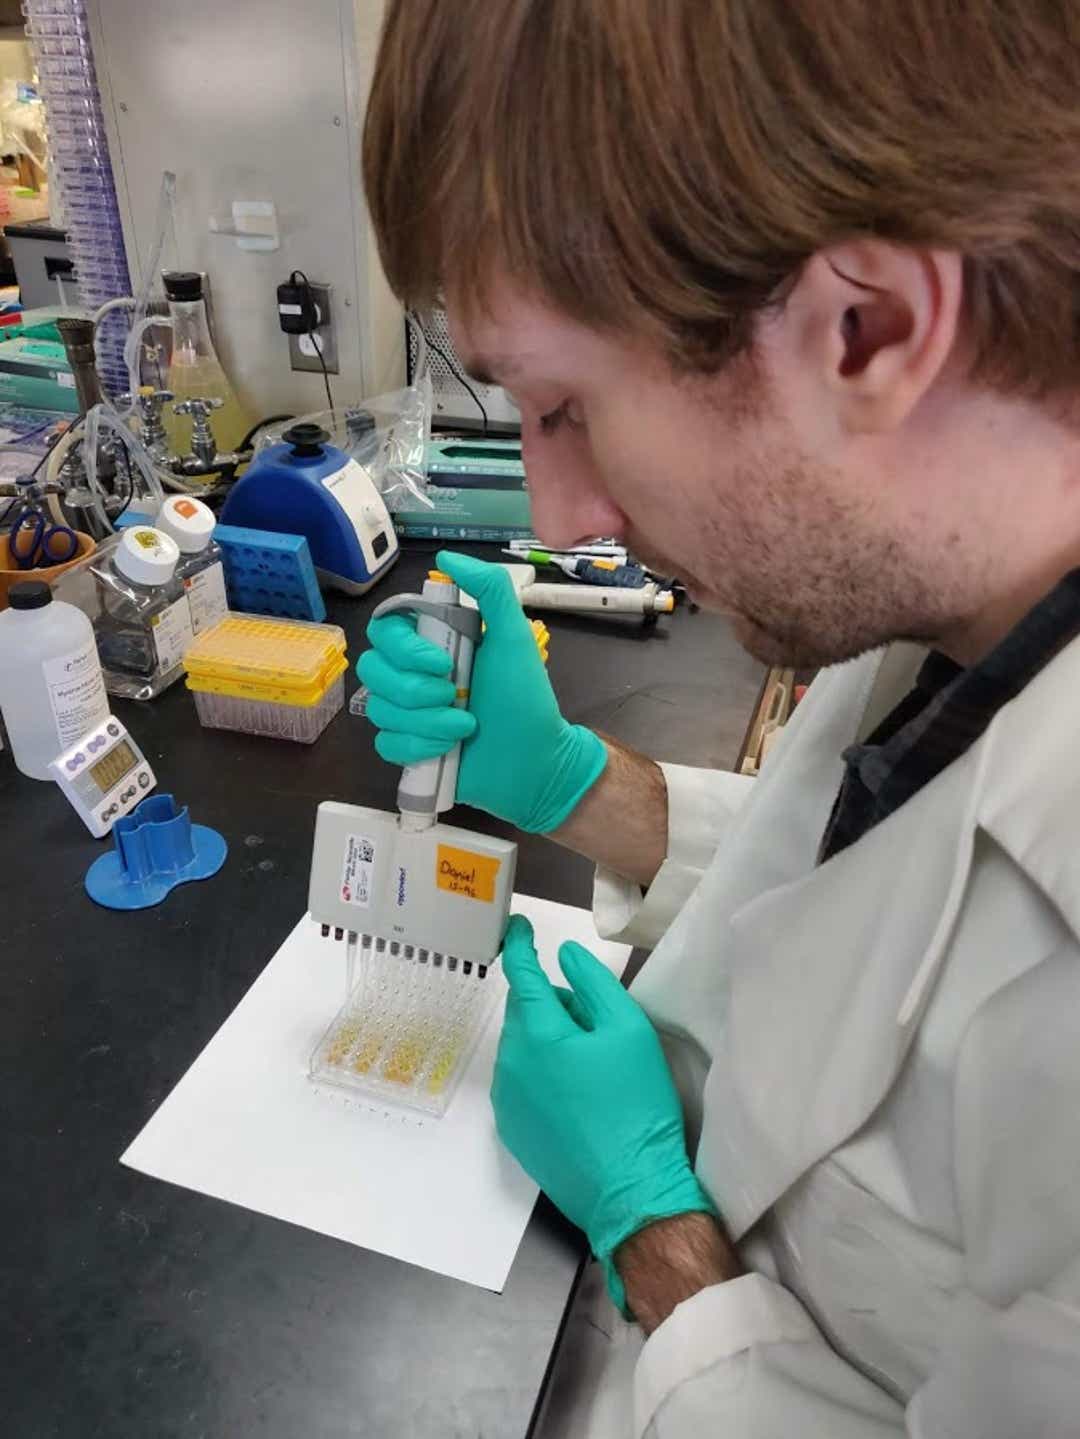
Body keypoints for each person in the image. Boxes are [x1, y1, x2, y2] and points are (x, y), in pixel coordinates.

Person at [358, 2, 1080, 1434]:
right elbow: (879, 889)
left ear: (867, 330)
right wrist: (572, 784)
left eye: (563, 405)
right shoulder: (954, 591)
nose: (562, 514)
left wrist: (657, 1238)